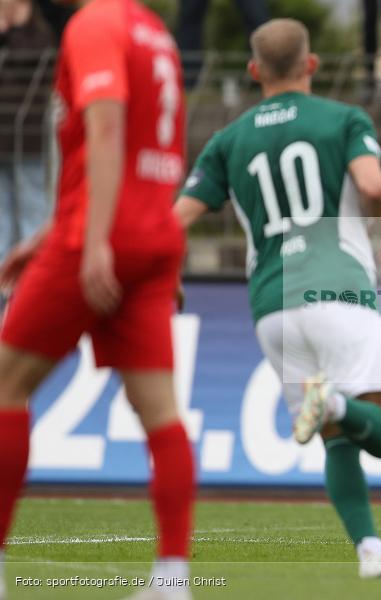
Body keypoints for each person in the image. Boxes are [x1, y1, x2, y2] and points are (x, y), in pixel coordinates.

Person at [173, 18, 381, 579]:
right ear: (312, 64)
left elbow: (174, 220)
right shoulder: (343, 119)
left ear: (253, 70)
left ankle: (371, 551)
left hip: (271, 307)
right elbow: (374, 185)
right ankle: (333, 406)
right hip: (339, 291)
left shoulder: (227, 140)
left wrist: (164, 275)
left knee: (336, 443)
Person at [0, 0, 195, 599]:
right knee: (161, 413)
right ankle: (172, 579)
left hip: (98, 235)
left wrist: (92, 242)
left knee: (5, 386)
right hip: (152, 234)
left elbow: (107, 130)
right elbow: (150, 147)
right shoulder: (154, 32)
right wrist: (47, 235)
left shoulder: (95, 25)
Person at [0, 0, 54, 263]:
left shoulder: (40, 36)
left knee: (33, 208)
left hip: (29, 138)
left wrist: (13, 30)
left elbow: (33, 71)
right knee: (2, 214)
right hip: (3, 139)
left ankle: (34, 268)